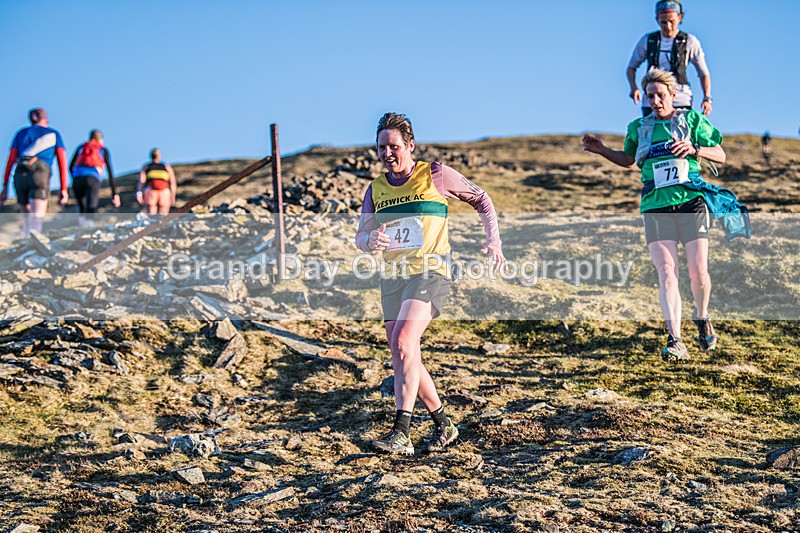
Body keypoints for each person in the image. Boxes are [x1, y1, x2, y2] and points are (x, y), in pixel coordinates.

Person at [355, 113, 505, 455]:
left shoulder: (435, 174)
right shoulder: (375, 189)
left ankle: (401, 433)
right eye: (381, 147)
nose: (387, 153)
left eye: (394, 146)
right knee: (402, 352)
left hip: (430, 270)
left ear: (410, 145)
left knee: (405, 341)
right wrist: (370, 241)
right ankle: (443, 424)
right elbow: (360, 236)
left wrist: (493, 241)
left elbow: (482, 199)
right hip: (393, 276)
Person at [582, 68, 726, 362]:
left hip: (690, 202)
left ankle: (701, 315)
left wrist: (695, 148)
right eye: (650, 96)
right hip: (654, 206)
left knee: (698, 272)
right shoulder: (639, 127)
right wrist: (601, 150)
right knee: (667, 273)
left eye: (661, 95)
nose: (656, 101)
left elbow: (721, 154)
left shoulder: (692, 121)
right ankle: (676, 340)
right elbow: (628, 160)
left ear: (673, 95)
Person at [627, 0, 713, 117]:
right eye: (663, 22)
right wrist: (634, 88)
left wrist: (707, 98)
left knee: (682, 132)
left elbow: (703, 73)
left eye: (671, 21)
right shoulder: (648, 40)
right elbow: (631, 67)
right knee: (652, 132)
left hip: (681, 98)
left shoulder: (689, 41)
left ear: (680, 18)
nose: (668, 26)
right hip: (652, 101)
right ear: (657, 20)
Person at [0, 108, 69, 235]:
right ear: (45, 119)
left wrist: (5, 186)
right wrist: (63, 188)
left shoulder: (21, 133)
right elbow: (62, 163)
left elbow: (10, 160)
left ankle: (27, 240)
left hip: (20, 174)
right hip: (39, 174)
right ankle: (34, 243)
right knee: (36, 217)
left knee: (27, 217)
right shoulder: (53, 134)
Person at [70, 130, 120, 226]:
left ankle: (81, 228)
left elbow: (70, 165)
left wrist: (74, 178)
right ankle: (88, 229)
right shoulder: (103, 150)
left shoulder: (81, 148)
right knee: (91, 206)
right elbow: (110, 172)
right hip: (93, 179)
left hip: (77, 179)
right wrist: (114, 193)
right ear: (101, 139)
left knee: (82, 207)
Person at [138, 148, 176, 215]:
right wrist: (172, 195)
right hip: (161, 191)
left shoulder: (147, 167)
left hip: (154, 191)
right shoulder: (166, 167)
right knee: (162, 212)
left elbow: (141, 182)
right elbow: (172, 182)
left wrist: (139, 193)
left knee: (152, 212)